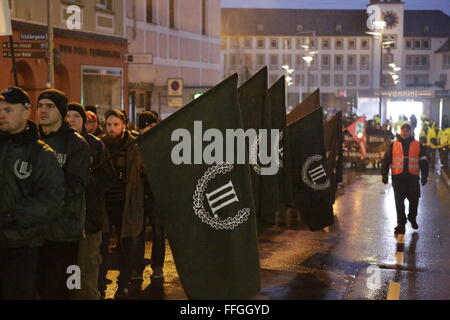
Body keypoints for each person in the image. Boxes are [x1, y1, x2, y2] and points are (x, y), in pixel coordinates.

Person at [0, 87, 65, 300]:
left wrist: (13, 216)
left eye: (8, 109)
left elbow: (51, 200)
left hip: (21, 247)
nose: (1, 114)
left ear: (26, 112)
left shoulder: (41, 154)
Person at [36, 89, 91, 300]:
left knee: (64, 289)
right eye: (40, 105)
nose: (43, 110)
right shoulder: (32, 142)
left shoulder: (76, 144)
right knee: (38, 286)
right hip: (35, 231)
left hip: (65, 232)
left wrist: (42, 197)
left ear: (60, 111)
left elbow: (76, 186)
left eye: (49, 106)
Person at [66, 102, 114, 299]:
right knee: (69, 271)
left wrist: (89, 180)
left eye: (76, 116)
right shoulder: (58, 143)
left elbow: (108, 179)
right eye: (67, 116)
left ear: (84, 121)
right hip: (64, 222)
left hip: (89, 220)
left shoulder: (95, 145)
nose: (71, 120)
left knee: (87, 268)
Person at [99, 109, 145, 299]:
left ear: (123, 125)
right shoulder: (99, 144)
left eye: (115, 124)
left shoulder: (134, 145)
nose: (112, 129)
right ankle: (99, 285)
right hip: (104, 203)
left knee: (127, 245)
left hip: (127, 203)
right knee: (100, 247)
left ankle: (123, 284)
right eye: (109, 125)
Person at [135, 111, 165, 283]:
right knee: (137, 234)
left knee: (158, 233)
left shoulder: (162, 144)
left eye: (154, 125)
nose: (151, 129)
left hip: (156, 196)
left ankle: (157, 266)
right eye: (148, 126)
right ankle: (137, 267)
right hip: (139, 195)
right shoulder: (135, 145)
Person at [381, 123, 428, 235]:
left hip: (413, 179)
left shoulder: (418, 144)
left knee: (414, 200)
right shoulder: (394, 145)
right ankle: (401, 224)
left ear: (410, 132)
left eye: (407, 130)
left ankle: (412, 217)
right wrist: (384, 174)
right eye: (403, 130)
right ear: (400, 131)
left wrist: (425, 175)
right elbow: (386, 160)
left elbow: (423, 161)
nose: (405, 132)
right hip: (398, 179)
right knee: (399, 203)